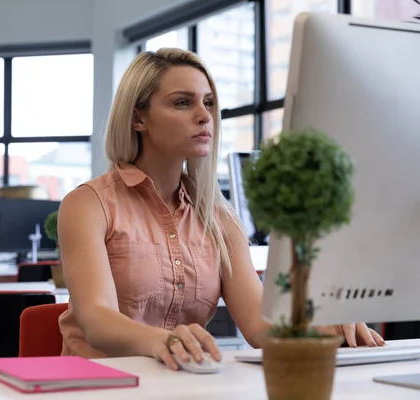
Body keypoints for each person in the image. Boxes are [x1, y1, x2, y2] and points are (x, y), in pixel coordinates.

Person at [57, 48, 385, 371]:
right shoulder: (88, 204)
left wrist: (320, 330)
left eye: (209, 103)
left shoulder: (219, 218)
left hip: (180, 386)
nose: (204, 116)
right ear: (137, 118)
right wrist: (161, 340)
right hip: (96, 385)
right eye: (183, 102)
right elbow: (96, 319)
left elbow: (259, 324)